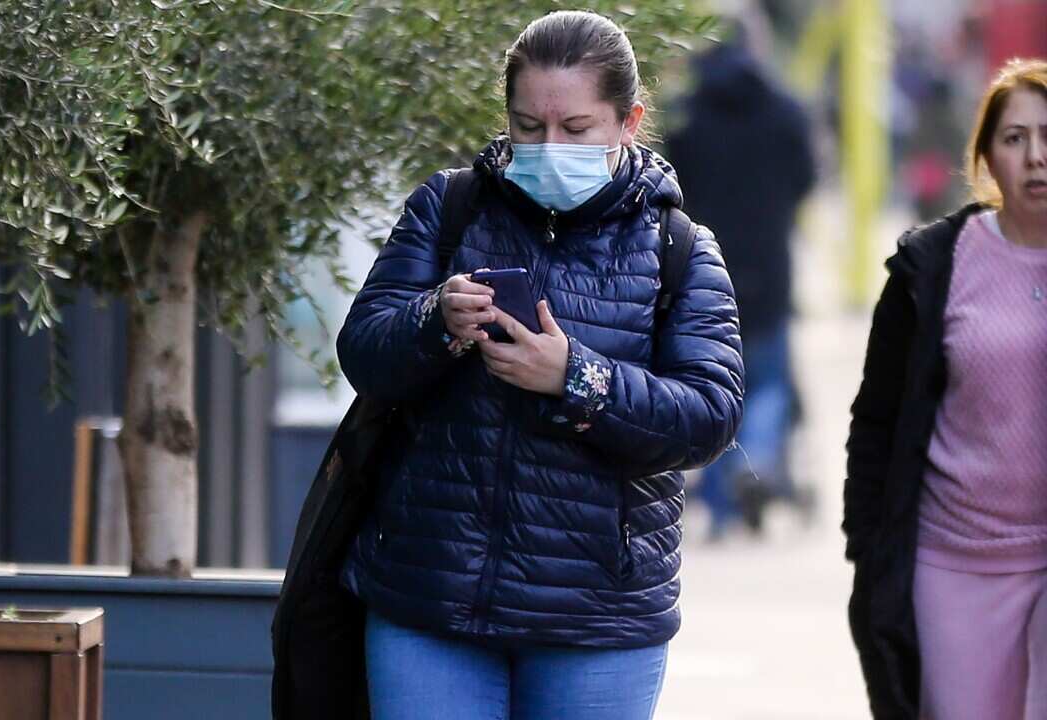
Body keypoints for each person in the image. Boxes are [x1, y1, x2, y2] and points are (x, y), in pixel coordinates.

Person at [335, 11, 744, 720]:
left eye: (576, 129)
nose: (549, 146)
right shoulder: (451, 206)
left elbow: (709, 416)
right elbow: (365, 352)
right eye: (528, 126)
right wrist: (434, 321)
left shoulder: (680, 247)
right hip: (432, 599)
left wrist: (577, 378)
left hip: (597, 618)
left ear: (628, 120)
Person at [844, 57, 1047, 720]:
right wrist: (868, 548)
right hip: (950, 565)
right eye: (1015, 139)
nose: (1036, 158)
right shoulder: (932, 266)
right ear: (987, 155)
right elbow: (876, 418)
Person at [665, 25, 816, 537]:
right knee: (769, 382)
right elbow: (807, 179)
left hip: (702, 268)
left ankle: (723, 503)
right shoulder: (785, 111)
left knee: (712, 382)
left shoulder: (687, 115)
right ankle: (759, 463)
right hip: (770, 268)